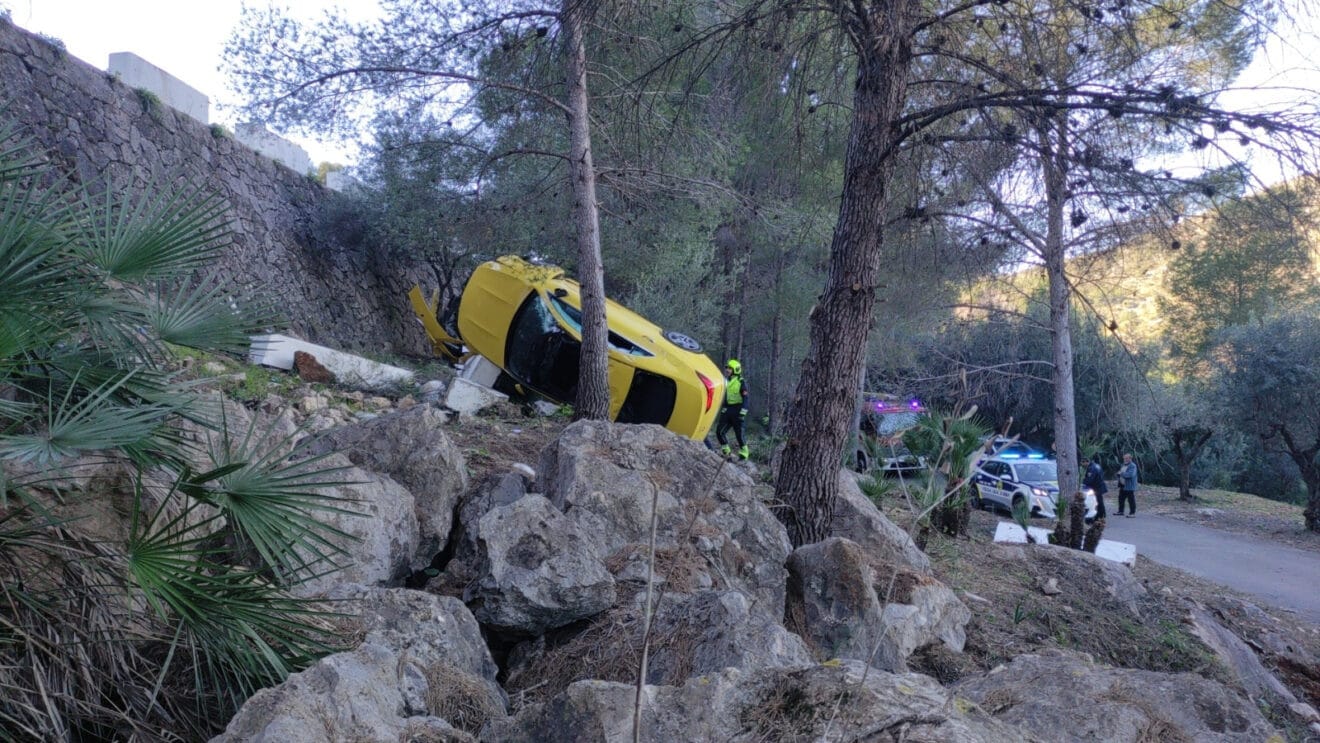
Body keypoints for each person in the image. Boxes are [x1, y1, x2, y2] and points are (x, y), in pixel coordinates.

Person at [716, 358, 749, 460]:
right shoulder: (726, 381)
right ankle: (726, 452)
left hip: (738, 410)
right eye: (727, 368)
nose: (727, 370)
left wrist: (743, 412)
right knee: (719, 432)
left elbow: (746, 398)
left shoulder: (741, 382)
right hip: (727, 409)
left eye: (730, 368)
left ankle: (744, 454)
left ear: (736, 369)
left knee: (739, 434)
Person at [1081, 455, 1108, 519]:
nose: (1083, 465)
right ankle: (1102, 514)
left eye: (1083, 463)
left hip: (1096, 487)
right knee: (1100, 501)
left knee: (1098, 501)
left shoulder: (1091, 468)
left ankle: (1100, 515)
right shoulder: (1096, 465)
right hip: (1100, 485)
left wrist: (1082, 483)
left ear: (1086, 462)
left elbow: (1090, 479)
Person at [1116, 453, 1138, 517]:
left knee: (1131, 500)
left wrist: (1121, 473)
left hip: (1129, 486)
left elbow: (1130, 475)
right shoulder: (1123, 465)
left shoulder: (1133, 466)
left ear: (1130, 458)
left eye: (1127, 458)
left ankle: (1132, 513)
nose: (1125, 459)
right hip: (1122, 485)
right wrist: (1119, 474)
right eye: (1124, 458)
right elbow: (1120, 473)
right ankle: (1120, 511)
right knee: (1121, 499)